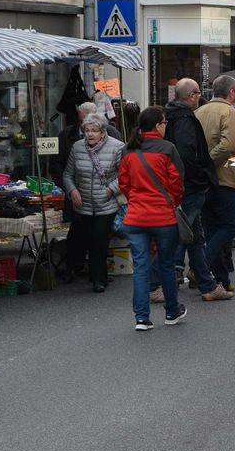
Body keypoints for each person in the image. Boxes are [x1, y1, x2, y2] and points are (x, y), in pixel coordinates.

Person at [163, 78, 233, 303]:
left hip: (187, 183)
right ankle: (158, 282)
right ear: (192, 95)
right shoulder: (184, 117)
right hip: (191, 184)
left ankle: (207, 284)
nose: (199, 98)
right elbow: (185, 151)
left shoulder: (175, 115)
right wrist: (202, 173)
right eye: (197, 94)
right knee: (179, 234)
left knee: (193, 235)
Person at [118, 106, 187, 330]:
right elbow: (177, 182)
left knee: (140, 267)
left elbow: (124, 184)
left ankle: (141, 317)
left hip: (136, 217)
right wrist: (172, 202)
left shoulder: (129, 149)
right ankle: (171, 312)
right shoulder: (167, 148)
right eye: (165, 122)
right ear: (158, 125)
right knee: (166, 266)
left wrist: (136, 200)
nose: (166, 126)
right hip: (163, 217)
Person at [51, 101, 124, 282]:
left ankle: (98, 280)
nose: (89, 134)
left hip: (107, 202)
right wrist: (72, 191)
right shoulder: (77, 147)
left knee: (100, 237)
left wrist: (110, 189)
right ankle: (99, 275)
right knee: (91, 238)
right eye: (87, 130)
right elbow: (68, 174)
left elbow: (125, 175)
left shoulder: (117, 147)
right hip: (83, 202)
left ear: (102, 132)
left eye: (94, 130)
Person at [195, 75, 235, 293]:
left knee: (211, 228)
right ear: (232, 93)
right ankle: (201, 266)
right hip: (223, 177)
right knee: (229, 227)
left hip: (202, 180)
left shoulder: (199, 112)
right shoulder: (230, 112)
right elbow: (228, 146)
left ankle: (221, 278)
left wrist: (200, 165)